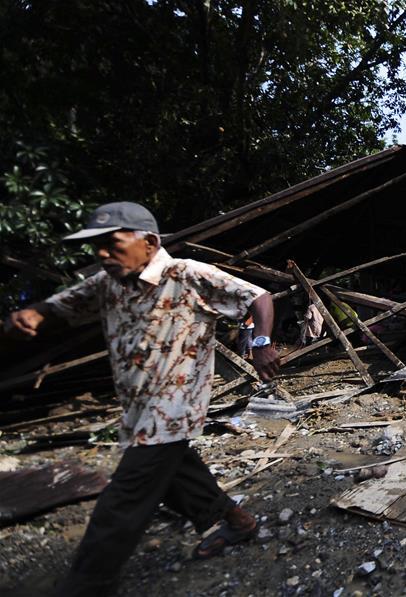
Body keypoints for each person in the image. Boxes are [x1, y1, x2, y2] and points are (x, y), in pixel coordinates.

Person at [3, 202, 280, 597]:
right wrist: (30, 314)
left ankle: (87, 583)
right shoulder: (106, 283)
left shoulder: (188, 274)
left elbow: (258, 296)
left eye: (111, 244)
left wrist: (263, 342)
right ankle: (237, 521)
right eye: (96, 246)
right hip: (137, 404)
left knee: (124, 498)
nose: (101, 254)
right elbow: (58, 306)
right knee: (173, 474)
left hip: (176, 405)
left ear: (148, 242)